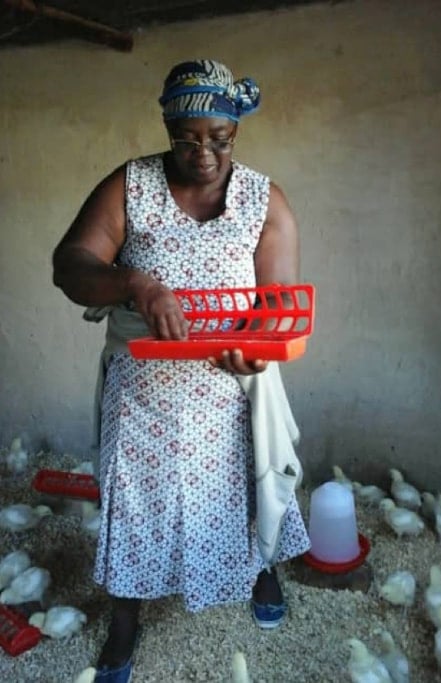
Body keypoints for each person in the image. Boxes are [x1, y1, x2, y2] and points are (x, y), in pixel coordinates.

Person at [52, 59, 310, 683]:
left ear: (236, 132)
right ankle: (124, 620)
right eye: (187, 138)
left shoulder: (263, 199)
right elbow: (71, 263)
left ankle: (261, 567)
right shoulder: (130, 184)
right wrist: (136, 284)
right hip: (144, 384)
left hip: (229, 384)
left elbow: (279, 306)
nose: (203, 154)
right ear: (168, 127)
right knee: (134, 497)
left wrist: (255, 349)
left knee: (247, 480)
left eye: (218, 139)